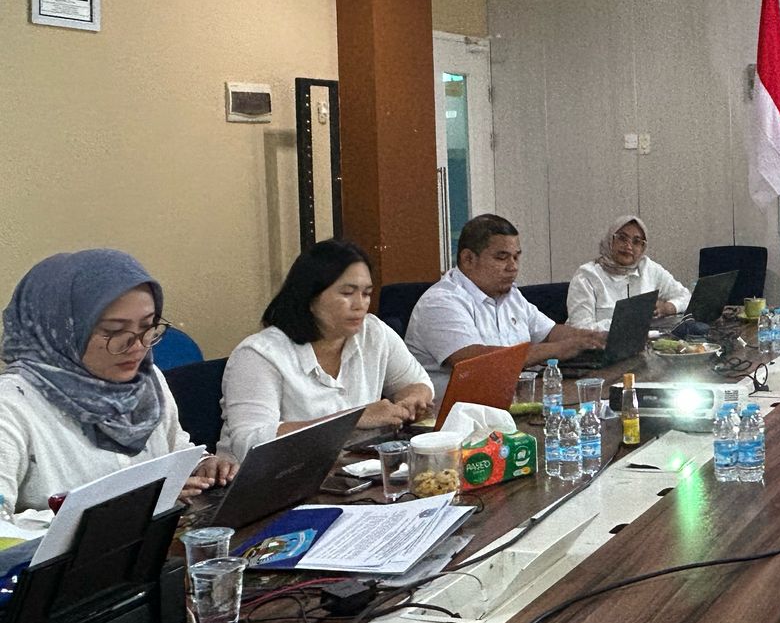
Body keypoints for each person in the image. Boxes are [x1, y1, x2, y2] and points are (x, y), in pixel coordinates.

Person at [0, 250, 235, 515]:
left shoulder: (146, 380)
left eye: (148, 327)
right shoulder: (11, 405)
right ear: (60, 331)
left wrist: (200, 464)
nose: (137, 346)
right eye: (114, 331)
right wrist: (126, 508)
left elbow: (173, 448)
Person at [219, 239, 435, 459]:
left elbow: (418, 382)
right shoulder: (259, 354)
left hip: (347, 470)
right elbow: (251, 442)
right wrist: (353, 419)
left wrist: (412, 399)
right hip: (270, 476)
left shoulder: (373, 332)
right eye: (347, 293)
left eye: (366, 293)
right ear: (310, 297)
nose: (360, 304)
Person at [405, 213, 605, 391]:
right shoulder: (440, 302)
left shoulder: (510, 295)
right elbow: (476, 362)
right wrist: (559, 349)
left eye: (516, 257)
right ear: (468, 259)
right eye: (502, 258)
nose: (513, 267)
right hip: (456, 414)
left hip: (514, 400)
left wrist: (592, 338)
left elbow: (550, 333)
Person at [567, 217, 693, 331]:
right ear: (611, 240)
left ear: (643, 248)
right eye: (622, 238)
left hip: (644, 344)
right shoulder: (587, 275)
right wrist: (628, 322)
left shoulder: (649, 268)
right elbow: (580, 329)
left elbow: (686, 297)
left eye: (636, 242)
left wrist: (668, 308)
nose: (628, 246)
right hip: (598, 346)